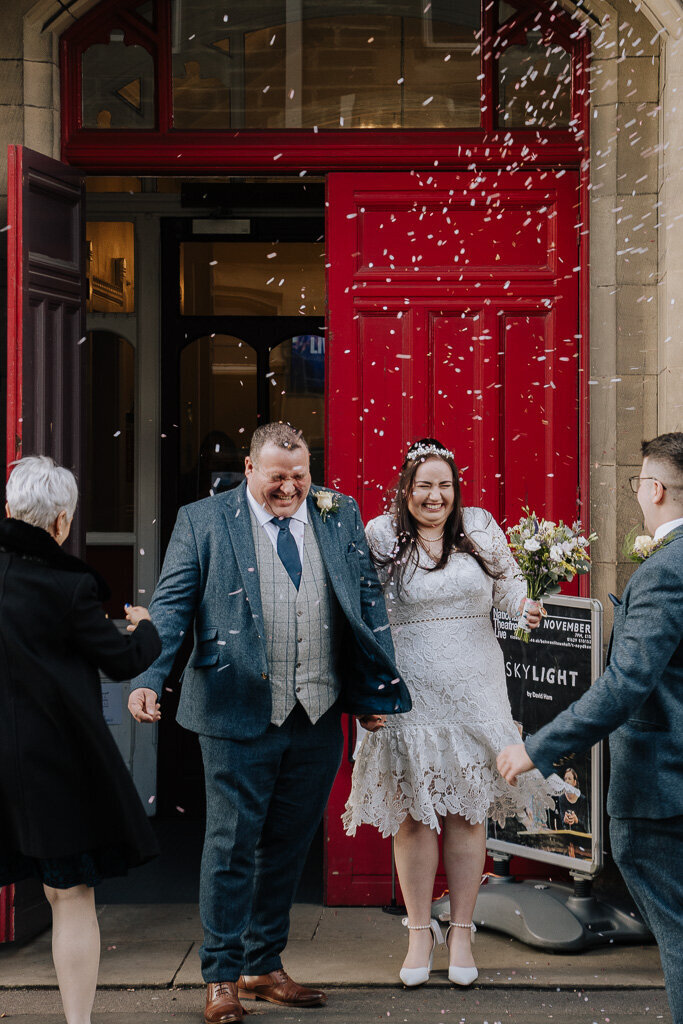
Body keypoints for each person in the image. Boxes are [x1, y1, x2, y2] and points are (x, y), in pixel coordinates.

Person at [128, 421, 411, 1024]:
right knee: (231, 844)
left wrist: (371, 695)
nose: (290, 487)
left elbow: (363, 604)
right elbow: (172, 606)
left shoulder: (339, 514)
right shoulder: (203, 521)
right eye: (277, 475)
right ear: (250, 469)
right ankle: (222, 974)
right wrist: (149, 677)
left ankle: (264, 963)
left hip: (317, 709)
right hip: (233, 709)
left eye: (300, 475)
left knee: (287, 843)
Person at [343, 438, 553, 989]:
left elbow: (507, 586)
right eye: (424, 485)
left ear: (456, 489)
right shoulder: (380, 534)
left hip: (475, 688)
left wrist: (525, 606)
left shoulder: (481, 527)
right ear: (406, 488)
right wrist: (367, 691)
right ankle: (418, 932)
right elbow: (362, 613)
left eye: (445, 485)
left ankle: (460, 930)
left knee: (467, 814)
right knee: (413, 814)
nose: (435, 496)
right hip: (409, 692)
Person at [497, 432, 683, 1024]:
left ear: (654, 489)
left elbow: (626, 685)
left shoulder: (663, 573)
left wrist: (539, 747)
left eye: (638, 484)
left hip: (663, 787)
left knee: (677, 937)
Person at [0, 455, 162, 1024]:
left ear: (10, 510)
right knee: (70, 896)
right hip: (53, 764)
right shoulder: (68, 587)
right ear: (62, 522)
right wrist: (145, 628)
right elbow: (120, 661)